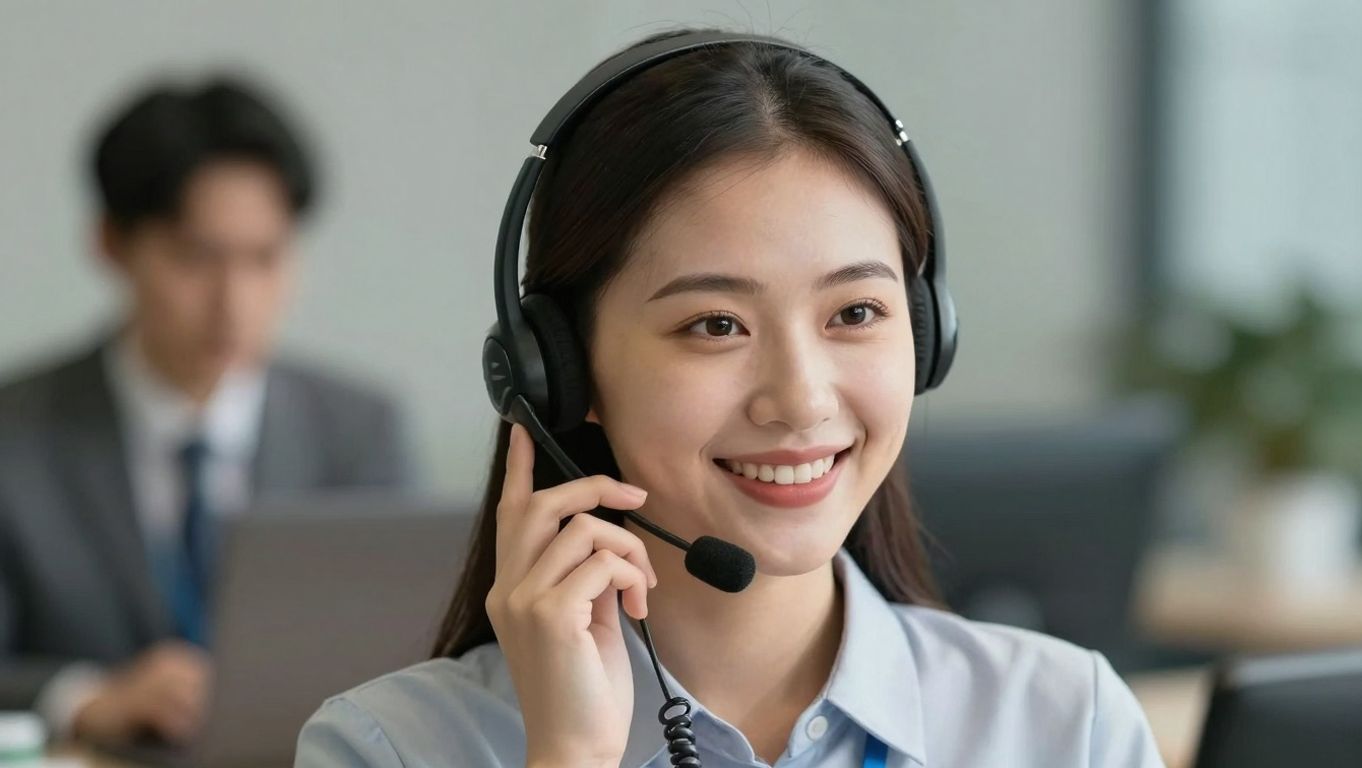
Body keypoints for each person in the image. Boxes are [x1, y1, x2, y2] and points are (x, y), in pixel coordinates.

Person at [295, 29, 1164, 768]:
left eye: (856, 312)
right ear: (560, 371)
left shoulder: (1064, 726)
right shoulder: (390, 748)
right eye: (716, 325)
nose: (800, 399)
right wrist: (569, 754)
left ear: (926, 333)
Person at [0, 75, 412, 748]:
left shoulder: (357, 431)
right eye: (194, 258)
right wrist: (84, 698)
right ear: (112, 244)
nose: (234, 302)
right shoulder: (15, 433)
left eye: (264, 259)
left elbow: (404, 650)